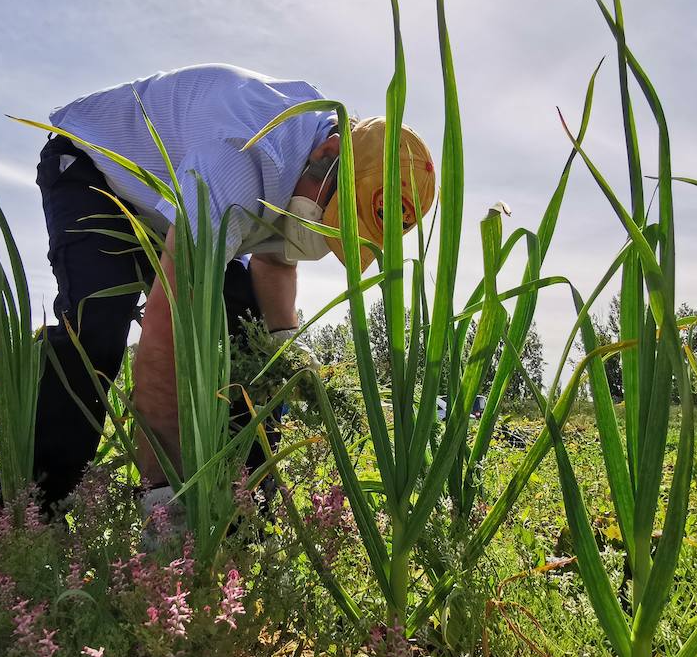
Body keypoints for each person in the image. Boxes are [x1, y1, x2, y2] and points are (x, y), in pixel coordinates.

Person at [24, 63, 435, 539]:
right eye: (328, 216)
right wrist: (165, 496)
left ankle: (245, 521)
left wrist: (285, 350)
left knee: (253, 344)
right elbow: (164, 335)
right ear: (328, 154)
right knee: (97, 327)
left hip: (181, 203)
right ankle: (29, 515)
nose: (321, 238)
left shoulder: (308, 167)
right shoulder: (238, 162)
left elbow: (274, 260)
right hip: (98, 169)